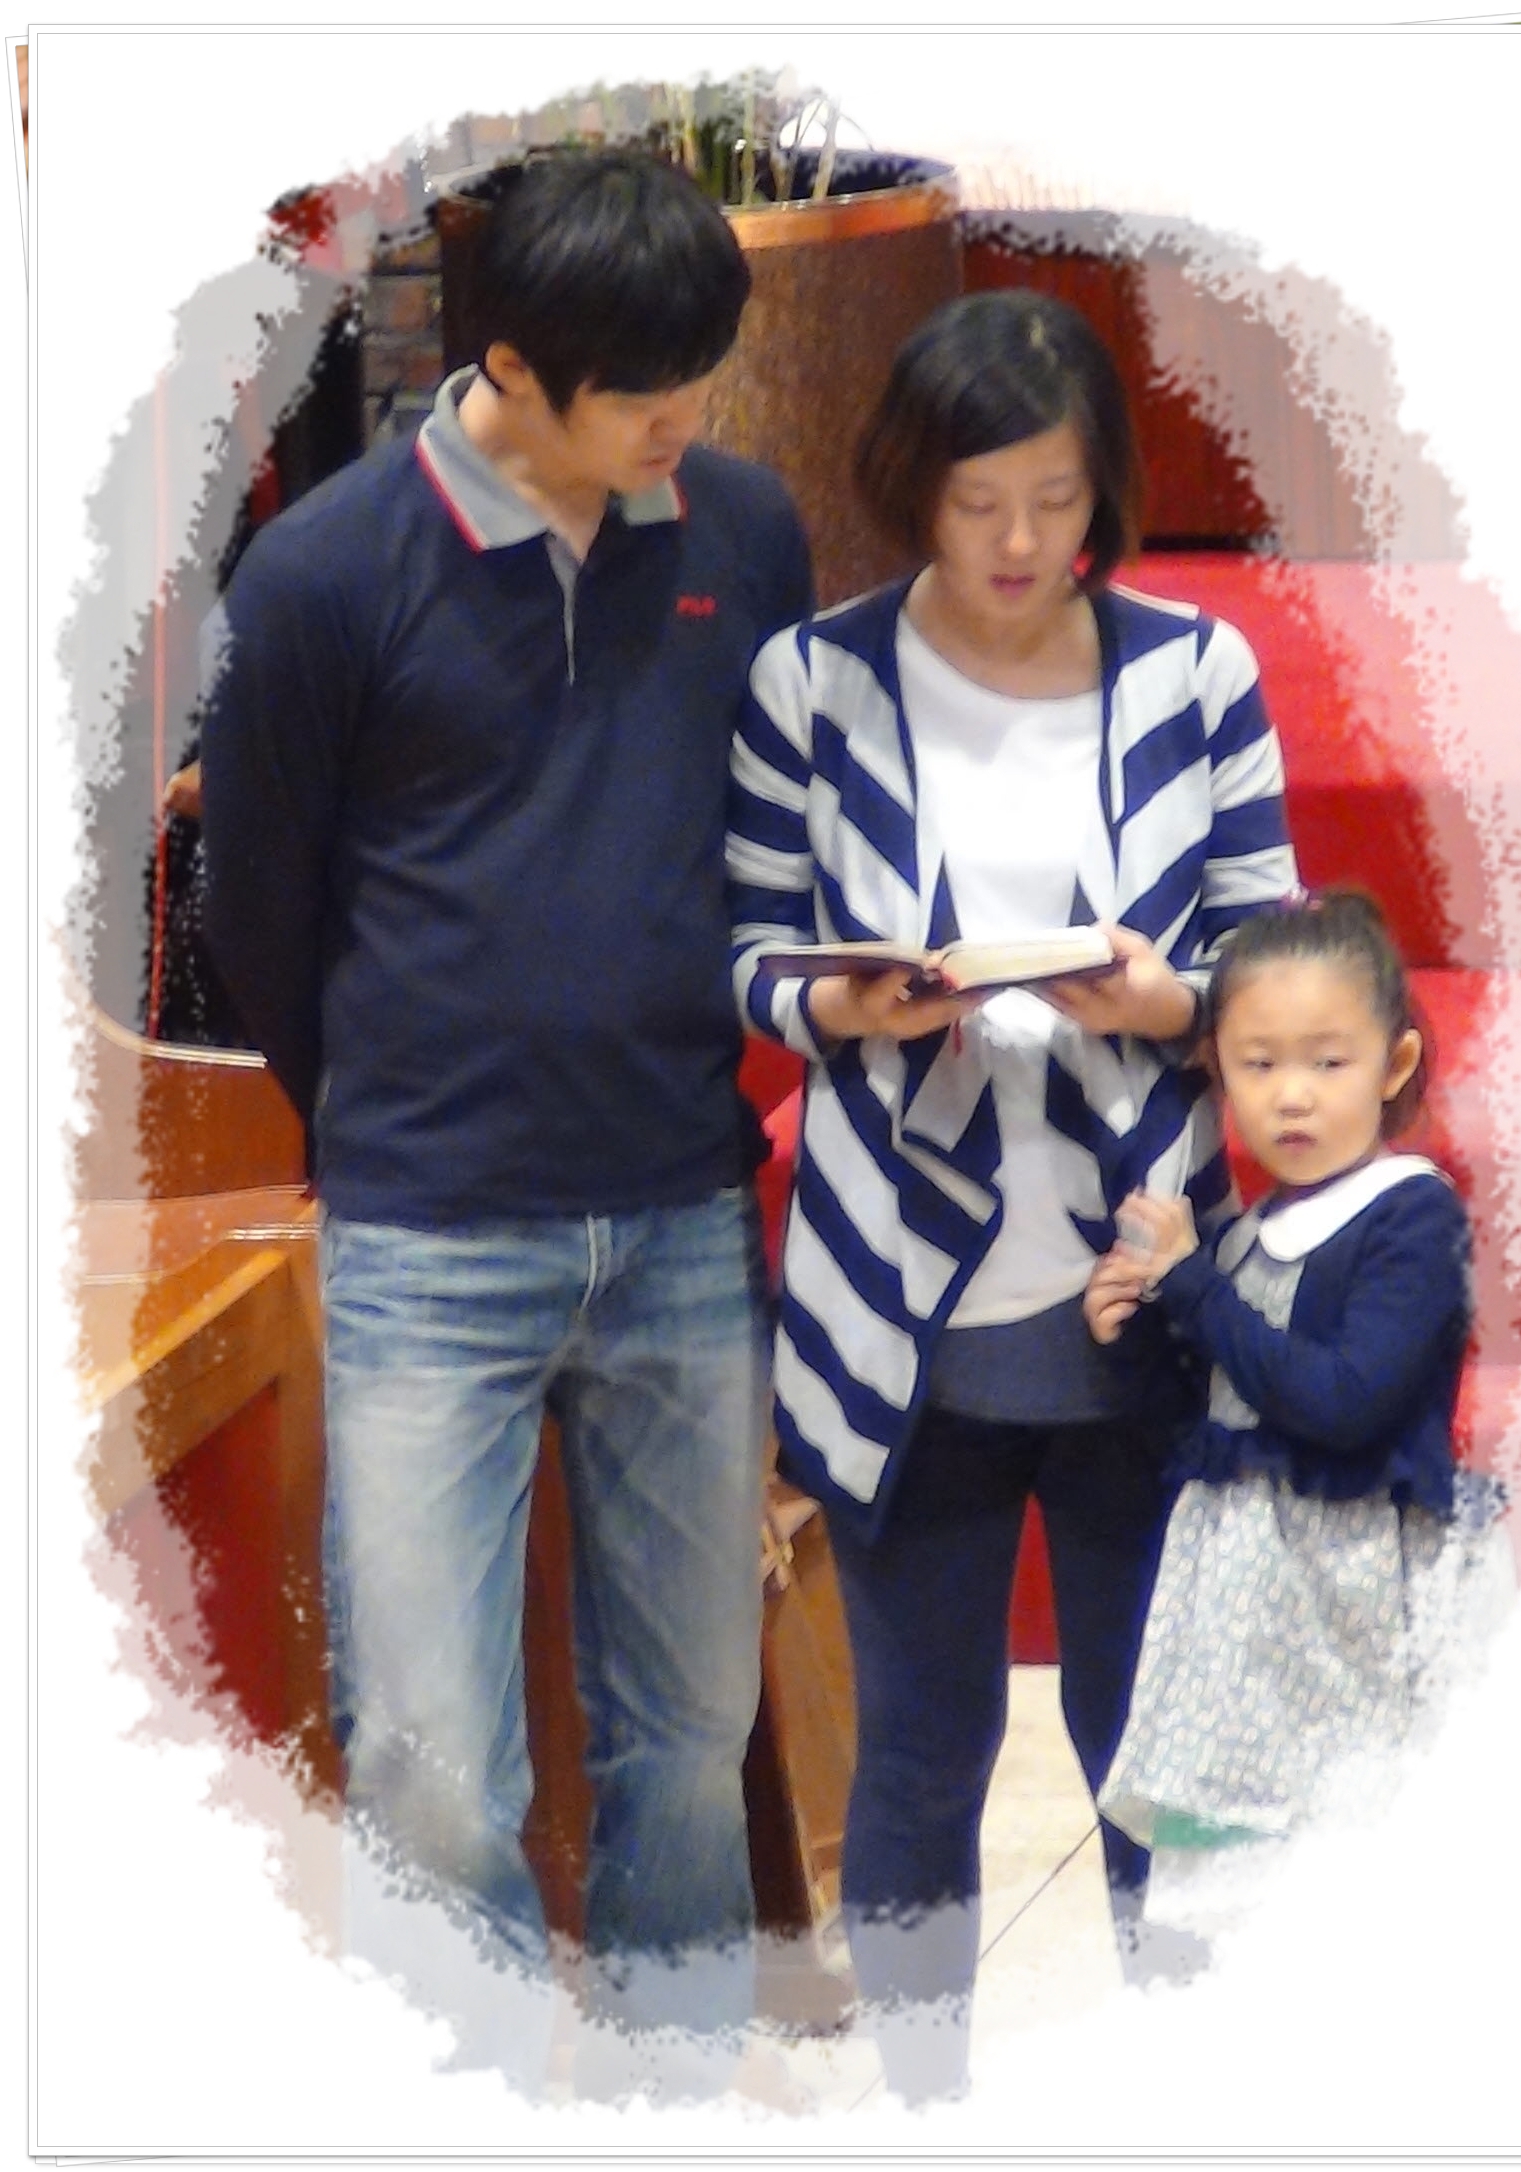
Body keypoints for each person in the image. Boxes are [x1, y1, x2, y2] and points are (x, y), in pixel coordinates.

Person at [200, 150, 814, 2099]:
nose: (681, 422)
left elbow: (767, 826)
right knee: (428, 1765)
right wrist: (395, 1111)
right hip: (427, 1235)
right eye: (641, 392)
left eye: (700, 376)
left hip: (680, 1210)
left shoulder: (740, 527)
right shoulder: (321, 576)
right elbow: (255, 913)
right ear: (514, 369)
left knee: (688, 1739)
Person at [726, 288, 1297, 2099]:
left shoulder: (1192, 674)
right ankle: (925, 2103)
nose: (1018, 542)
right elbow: (745, 951)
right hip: (899, 1296)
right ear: (912, 486)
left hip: (1143, 1282)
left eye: (1054, 498)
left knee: (1155, 1749)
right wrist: (843, 1003)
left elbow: (1278, 956)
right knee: (918, 1751)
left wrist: (1168, 1003)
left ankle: (1183, 2095)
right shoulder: (811, 680)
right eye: (977, 502)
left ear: (1103, 486)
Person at [1087, 889, 1506, 1941]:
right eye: (1258, 1063)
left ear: (1394, 1065)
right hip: (1241, 1633)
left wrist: (1191, 1289)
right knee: (1236, 1905)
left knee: (1360, 1894)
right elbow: (1211, 1417)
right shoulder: (1241, 1235)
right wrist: (1133, 1325)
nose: (1292, 1095)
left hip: (1352, 1612)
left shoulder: (1410, 1215)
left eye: (1327, 1061)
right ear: (1216, 1069)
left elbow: (1343, 1403)